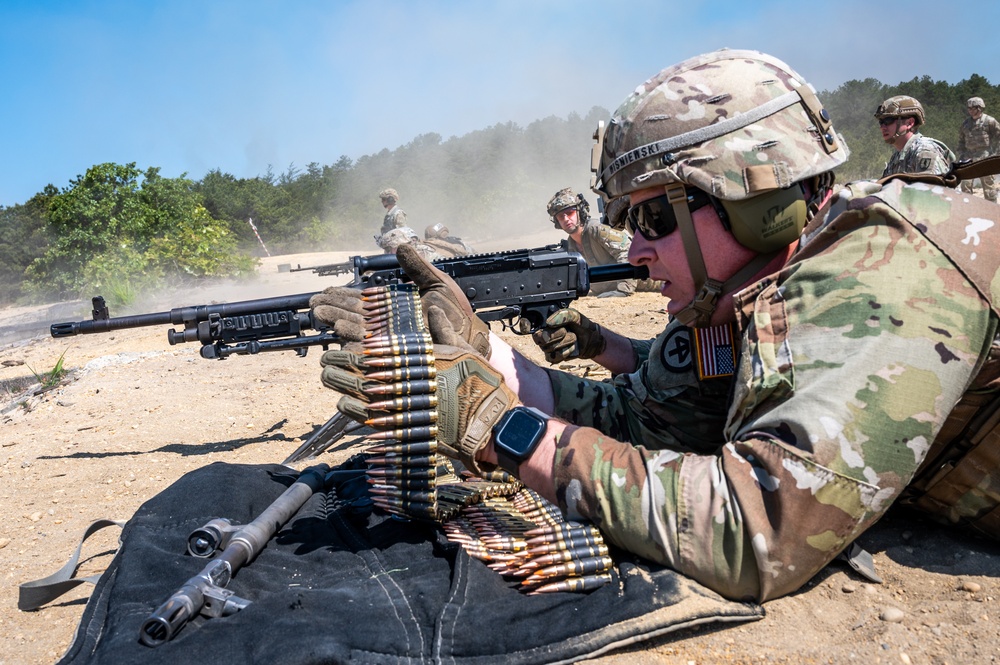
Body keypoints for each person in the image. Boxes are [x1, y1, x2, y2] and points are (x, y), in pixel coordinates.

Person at [313, 49, 1000, 604]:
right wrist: (489, 353)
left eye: (652, 218)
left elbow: (756, 532)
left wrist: (499, 427)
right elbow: (643, 417)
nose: (637, 251)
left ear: (751, 196)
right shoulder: (736, 291)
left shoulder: (884, 263)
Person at [547, 187, 636, 297]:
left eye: (570, 213)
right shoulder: (570, 248)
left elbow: (627, 251)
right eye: (561, 216)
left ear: (580, 212)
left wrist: (623, 290)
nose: (566, 219)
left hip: (650, 280)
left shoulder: (596, 230)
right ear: (557, 222)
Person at [875, 96, 955, 177]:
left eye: (888, 120)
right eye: (881, 122)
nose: (882, 127)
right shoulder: (897, 157)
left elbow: (929, 188)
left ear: (909, 123)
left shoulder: (925, 151)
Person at [958, 97, 1000, 202]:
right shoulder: (966, 123)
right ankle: (969, 212)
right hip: (969, 157)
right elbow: (961, 141)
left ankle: (992, 212)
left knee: (989, 188)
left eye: (973, 108)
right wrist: (962, 154)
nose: (970, 110)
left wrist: (996, 154)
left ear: (980, 108)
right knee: (965, 186)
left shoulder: (989, 121)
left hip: (985, 157)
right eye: (969, 108)